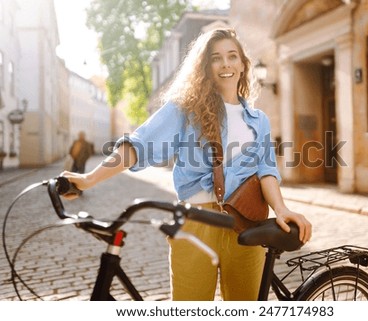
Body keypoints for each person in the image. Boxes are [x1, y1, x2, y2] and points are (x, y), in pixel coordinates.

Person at [62, 28, 312, 301]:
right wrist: (89, 179)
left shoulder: (258, 119)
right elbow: (138, 146)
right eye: (216, 58)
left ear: (243, 65)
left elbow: (266, 171)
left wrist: (281, 208)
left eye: (232, 56)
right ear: (205, 66)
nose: (225, 64)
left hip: (248, 225)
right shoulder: (184, 110)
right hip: (196, 223)